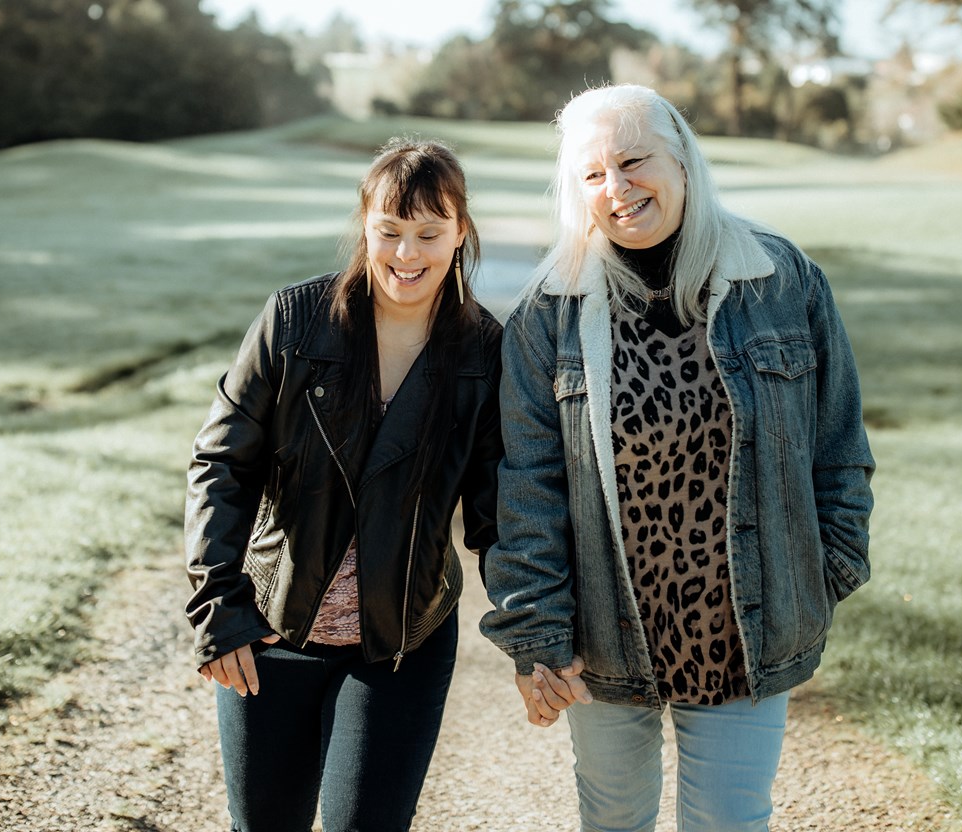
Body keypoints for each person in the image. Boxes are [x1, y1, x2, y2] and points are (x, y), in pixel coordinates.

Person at [480, 84, 875, 832]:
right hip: (603, 636)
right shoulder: (546, 311)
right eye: (592, 175)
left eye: (633, 161)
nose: (617, 190)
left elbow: (839, 445)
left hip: (749, 628)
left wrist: (828, 569)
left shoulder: (782, 280)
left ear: (683, 159)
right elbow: (527, 489)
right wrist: (538, 634)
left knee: (731, 821)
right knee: (616, 818)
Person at [184, 138, 502, 832]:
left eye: (429, 232)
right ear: (365, 226)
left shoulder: (485, 354)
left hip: (402, 646)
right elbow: (221, 465)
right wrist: (219, 607)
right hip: (272, 634)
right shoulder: (292, 323)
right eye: (390, 231)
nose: (407, 254)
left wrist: (536, 632)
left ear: (461, 233)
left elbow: (497, 517)